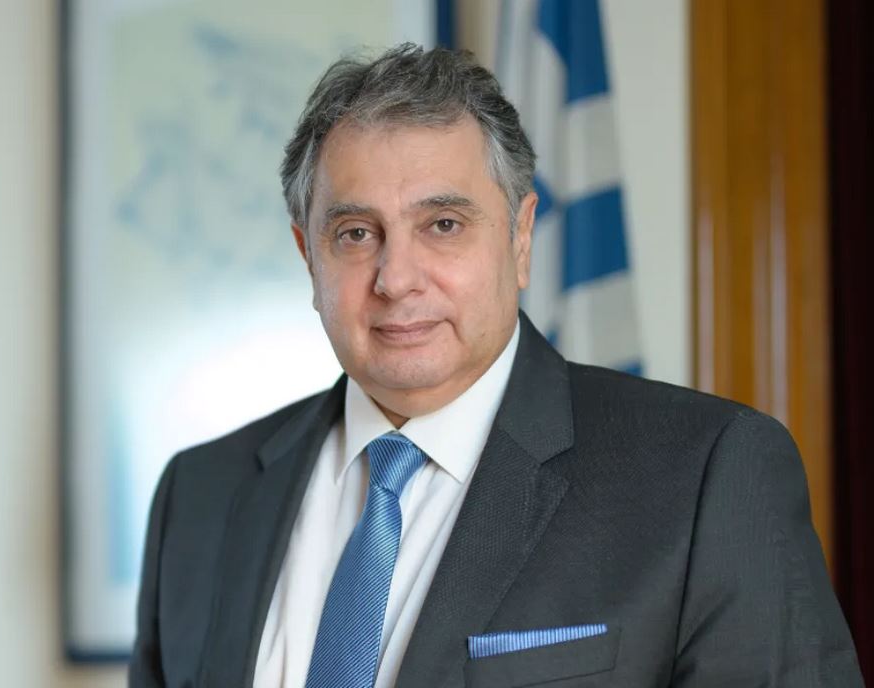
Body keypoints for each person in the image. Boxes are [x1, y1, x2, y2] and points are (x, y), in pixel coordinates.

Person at [128, 44, 862, 687]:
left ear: (520, 238)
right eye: (355, 233)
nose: (396, 278)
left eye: (443, 224)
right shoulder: (200, 495)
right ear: (307, 255)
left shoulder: (705, 476)